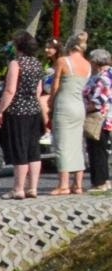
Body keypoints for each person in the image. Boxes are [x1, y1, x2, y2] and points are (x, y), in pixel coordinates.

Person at [0, 31, 44, 200]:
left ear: (18, 47)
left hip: (17, 111)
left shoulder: (16, 64)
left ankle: (18, 188)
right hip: (34, 110)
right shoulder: (37, 64)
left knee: (19, 149)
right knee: (33, 150)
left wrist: (1, 111)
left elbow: (10, 90)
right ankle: (33, 188)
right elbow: (38, 90)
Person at [46, 32, 91, 195]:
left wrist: (50, 103)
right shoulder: (87, 65)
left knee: (62, 144)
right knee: (77, 145)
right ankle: (78, 185)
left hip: (64, 105)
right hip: (79, 106)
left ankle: (63, 185)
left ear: (69, 46)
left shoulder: (63, 61)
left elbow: (55, 85)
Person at [84, 47, 111, 193]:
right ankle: (104, 180)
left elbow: (99, 99)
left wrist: (84, 110)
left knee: (96, 149)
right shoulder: (107, 74)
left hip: (98, 117)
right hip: (105, 117)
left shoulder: (103, 77)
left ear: (95, 61)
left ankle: (99, 182)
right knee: (101, 149)